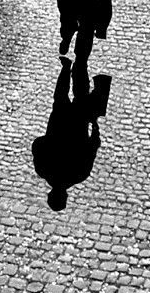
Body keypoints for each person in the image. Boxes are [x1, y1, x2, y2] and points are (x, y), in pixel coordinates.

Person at [32, 57, 103, 211]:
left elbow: (91, 149)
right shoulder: (42, 169)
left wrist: (95, 131)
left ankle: (80, 66)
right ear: (49, 194)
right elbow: (37, 145)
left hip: (78, 126)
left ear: (66, 196)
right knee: (60, 96)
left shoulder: (79, 175)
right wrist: (49, 139)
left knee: (81, 95)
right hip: (57, 125)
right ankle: (66, 68)